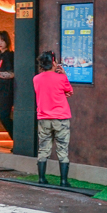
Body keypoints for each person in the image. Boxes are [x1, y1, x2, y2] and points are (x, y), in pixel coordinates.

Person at [33, 50, 73, 188]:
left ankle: (41, 178)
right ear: (54, 63)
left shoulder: (36, 79)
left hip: (44, 117)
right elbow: (69, 91)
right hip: (61, 118)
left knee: (43, 148)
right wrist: (63, 74)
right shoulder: (61, 78)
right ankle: (63, 181)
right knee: (62, 149)